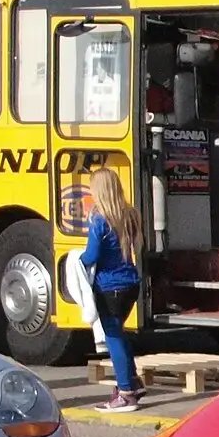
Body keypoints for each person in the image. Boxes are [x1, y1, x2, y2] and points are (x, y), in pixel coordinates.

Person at [80, 169, 144, 413]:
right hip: (130, 283)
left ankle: (126, 392)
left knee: (113, 338)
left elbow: (91, 256)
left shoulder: (100, 221)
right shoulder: (130, 215)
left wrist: (76, 260)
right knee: (120, 334)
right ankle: (133, 383)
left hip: (109, 287)